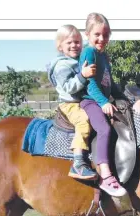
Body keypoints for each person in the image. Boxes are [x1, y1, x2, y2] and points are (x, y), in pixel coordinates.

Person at [78, 13, 128, 197]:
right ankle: (105, 176)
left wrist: (123, 97)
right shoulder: (89, 52)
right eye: (97, 34)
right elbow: (90, 84)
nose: (102, 39)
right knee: (104, 130)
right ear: (88, 34)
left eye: (105, 35)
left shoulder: (104, 56)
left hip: (101, 100)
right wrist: (103, 102)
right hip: (90, 100)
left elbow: (110, 83)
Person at [47, 24, 97, 180]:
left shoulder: (77, 60)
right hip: (70, 104)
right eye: (69, 42)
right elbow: (69, 87)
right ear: (60, 46)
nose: (74, 45)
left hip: (81, 101)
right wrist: (82, 75)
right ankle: (78, 163)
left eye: (77, 42)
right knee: (83, 121)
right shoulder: (62, 65)